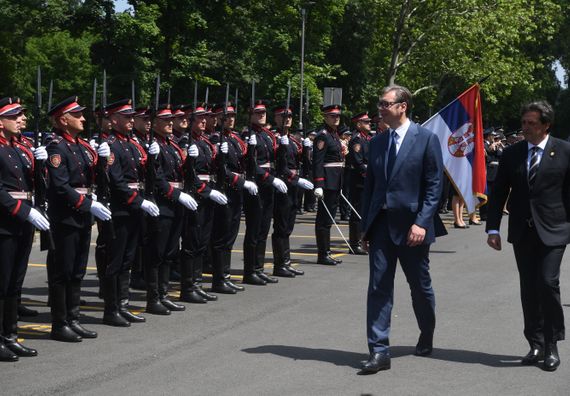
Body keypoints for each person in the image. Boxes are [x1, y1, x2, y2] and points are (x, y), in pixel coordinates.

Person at [360, 85, 443, 373]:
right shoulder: (377, 142)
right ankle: (379, 350)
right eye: (379, 103)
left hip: (413, 227)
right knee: (378, 287)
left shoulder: (426, 139)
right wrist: (365, 228)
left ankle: (427, 330)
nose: (380, 108)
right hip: (381, 225)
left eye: (385, 103)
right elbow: (370, 188)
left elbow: (434, 186)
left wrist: (422, 222)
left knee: (419, 286)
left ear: (402, 106)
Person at [486, 101, 569, 372]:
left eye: (532, 124)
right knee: (529, 289)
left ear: (546, 125)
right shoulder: (512, 154)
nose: (526, 128)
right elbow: (498, 193)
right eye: (524, 123)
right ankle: (535, 343)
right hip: (523, 230)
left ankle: (552, 343)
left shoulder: (565, 151)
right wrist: (493, 228)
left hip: (555, 229)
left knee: (547, 283)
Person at [45, 96, 112, 342]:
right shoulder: (57, 147)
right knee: (62, 271)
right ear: (64, 120)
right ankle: (60, 323)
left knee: (77, 271)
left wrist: (102, 159)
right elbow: (61, 186)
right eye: (78, 115)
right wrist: (87, 204)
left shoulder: (81, 146)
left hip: (82, 215)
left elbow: (92, 177)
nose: (83, 118)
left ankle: (74, 319)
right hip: (66, 216)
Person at [102, 99, 162, 325]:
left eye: (131, 117)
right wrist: (138, 201)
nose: (130, 120)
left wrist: (153, 157)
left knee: (127, 259)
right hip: (121, 209)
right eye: (125, 117)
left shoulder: (132, 144)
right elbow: (117, 182)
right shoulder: (112, 145)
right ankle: (111, 309)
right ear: (114, 120)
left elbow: (143, 174)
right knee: (116, 260)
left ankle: (123, 304)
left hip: (134, 208)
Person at [0, 97, 47, 361]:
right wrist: (22, 210)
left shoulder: (20, 148)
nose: (22, 120)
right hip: (5, 224)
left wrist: (39, 164)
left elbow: (32, 184)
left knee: (14, 283)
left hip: (22, 222)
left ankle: (10, 335)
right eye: (15, 116)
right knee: (2, 283)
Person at [209, 102, 256, 294]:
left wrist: (252, 148)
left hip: (236, 191)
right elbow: (221, 170)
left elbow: (243, 162)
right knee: (222, 235)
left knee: (231, 234)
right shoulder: (214, 138)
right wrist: (238, 180)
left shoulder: (236, 139)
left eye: (233, 116)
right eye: (226, 116)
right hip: (226, 188)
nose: (231, 119)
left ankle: (225, 276)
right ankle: (219, 278)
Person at [242, 100, 287, 285]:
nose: (262, 115)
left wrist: (284, 146)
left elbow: (275, 159)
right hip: (257, 185)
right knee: (253, 230)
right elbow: (250, 164)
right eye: (257, 112)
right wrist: (270, 179)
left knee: (263, 229)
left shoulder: (268, 135)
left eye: (263, 112)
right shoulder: (247, 135)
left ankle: (258, 268)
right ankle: (249, 270)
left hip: (268, 186)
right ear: (250, 115)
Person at [272, 105, 313, 277]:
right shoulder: (274, 139)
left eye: (289, 116)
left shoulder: (295, 141)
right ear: (276, 118)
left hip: (294, 187)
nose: (287, 119)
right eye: (283, 116)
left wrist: (306, 149)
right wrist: (295, 179)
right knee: (281, 227)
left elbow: (302, 164)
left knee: (288, 226)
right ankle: (279, 264)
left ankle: (286, 262)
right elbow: (280, 167)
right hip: (282, 185)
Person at [312, 105, 345, 265]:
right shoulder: (323, 136)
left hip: (335, 180)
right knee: (324, 219)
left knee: (329, 219)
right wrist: (318, 183)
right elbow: (318, 161)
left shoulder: (334, 135)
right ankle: (322, 253)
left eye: (338, 116)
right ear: (325, 117)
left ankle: (326, 251)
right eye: (332, 116)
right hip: (327, 181)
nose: (336, 118)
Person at [346, 111, 372, 255]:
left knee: (365, 213)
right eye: (366, 122)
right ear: (359, 124)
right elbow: (358, 162)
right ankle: (354, 243)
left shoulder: (367, 138)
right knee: (357, 213)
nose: (369, 124)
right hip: (360, 181)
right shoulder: (357, 140)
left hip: (366, 180)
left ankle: (364, 240)